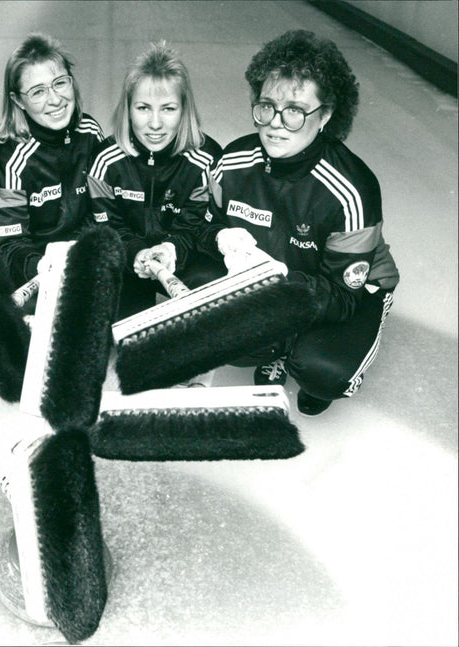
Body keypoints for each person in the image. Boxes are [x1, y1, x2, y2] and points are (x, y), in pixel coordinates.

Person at [196, 30, 400, 415]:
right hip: (282, 277)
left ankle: (302, 357)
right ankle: (279, 345)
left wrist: (277, 281)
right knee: (201, 292)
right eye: (266, 106)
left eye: (295, 110)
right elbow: (203, 227)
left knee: (322, 370)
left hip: (350, 291)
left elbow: (342, 297)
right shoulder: (233, 162)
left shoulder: (351, 189)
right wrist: (219, 236)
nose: (275, 123)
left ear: (324, 115)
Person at [86, 41, 222, 319]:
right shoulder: (105, 160)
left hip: (182, 257)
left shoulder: (207, 160)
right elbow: (108, 226)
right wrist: (134, 252)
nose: (156, 123)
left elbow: (198, 227)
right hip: (129, 259)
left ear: (184, 109)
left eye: (168, 109)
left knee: (215, 290)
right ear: (128, 109)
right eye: (144, 108)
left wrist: (171, 249)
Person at [0, 33, 104, 289]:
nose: (55, 99)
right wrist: (43, 268)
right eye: (38, 91)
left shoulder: (90, 132)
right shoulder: (8, 160)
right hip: (34, 272)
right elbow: (9, 245)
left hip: (83, 262)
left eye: (60, 83)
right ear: (18, 101)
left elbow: (102, 213)